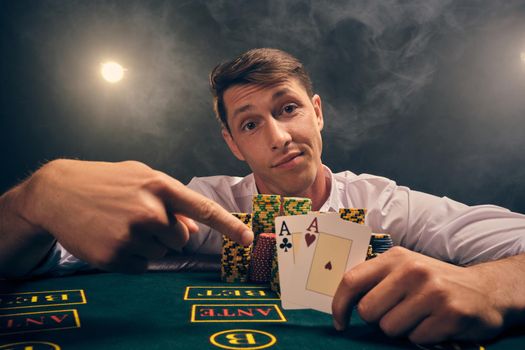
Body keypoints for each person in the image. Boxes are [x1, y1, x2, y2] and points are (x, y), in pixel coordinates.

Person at [0, 48, 524, 344]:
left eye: (289, 109)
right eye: (251, 123)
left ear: (317, 112)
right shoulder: (202, 202)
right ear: (232, 143)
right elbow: (39, 255)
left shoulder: (384, 203)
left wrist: (490, 283)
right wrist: (32, 203)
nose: (277, 136)